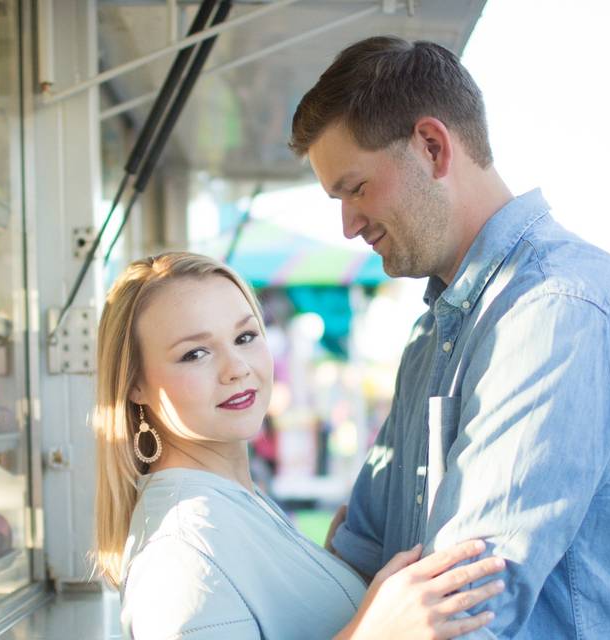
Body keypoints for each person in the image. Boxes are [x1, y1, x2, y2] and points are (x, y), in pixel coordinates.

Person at [289, 35, 610, 638]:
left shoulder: (556, 310)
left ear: (432, 147)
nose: (349, 225)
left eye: (356, 188)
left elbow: (459, 616)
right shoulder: (432, 334)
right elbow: (358, 555)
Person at [92, 252, 506, 639]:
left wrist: (325, 573)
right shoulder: (177, 552)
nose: (237, 368)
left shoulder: (236, 503)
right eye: (195, 353)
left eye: (245, 336)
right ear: (135, 386)